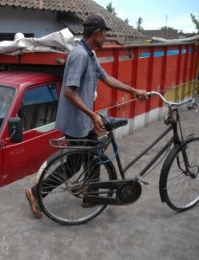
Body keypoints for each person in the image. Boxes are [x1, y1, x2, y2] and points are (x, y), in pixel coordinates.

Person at [25, 13, 148, 219]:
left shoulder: (90, 55)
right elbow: (69, 92)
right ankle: (36, 192)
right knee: (74, 164)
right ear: (97, 33)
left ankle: (91, 195)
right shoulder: (79, 56)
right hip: (76, 122)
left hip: (84, 122)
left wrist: (133, 91)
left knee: (93, 157)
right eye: (104, 34)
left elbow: (107, 79)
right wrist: (92, 115)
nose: (105, 37)